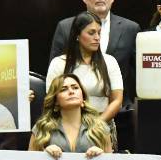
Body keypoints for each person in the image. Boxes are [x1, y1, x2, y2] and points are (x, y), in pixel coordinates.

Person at [49, 0, 139, 103]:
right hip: (74, 109)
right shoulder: (66, 27)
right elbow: (55, 73)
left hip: (120, 109)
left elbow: (138, 74)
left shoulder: (130, 28)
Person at [47, 12, 123, 140]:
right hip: (67, 128)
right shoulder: (59, 63)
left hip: (101, 127)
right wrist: (77, 129)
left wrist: (96, 125)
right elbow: (51, 100)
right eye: (91, 33)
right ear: (77, 35)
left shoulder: (110, 61)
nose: (97, 37)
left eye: (99, 33)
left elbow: (117, 100)